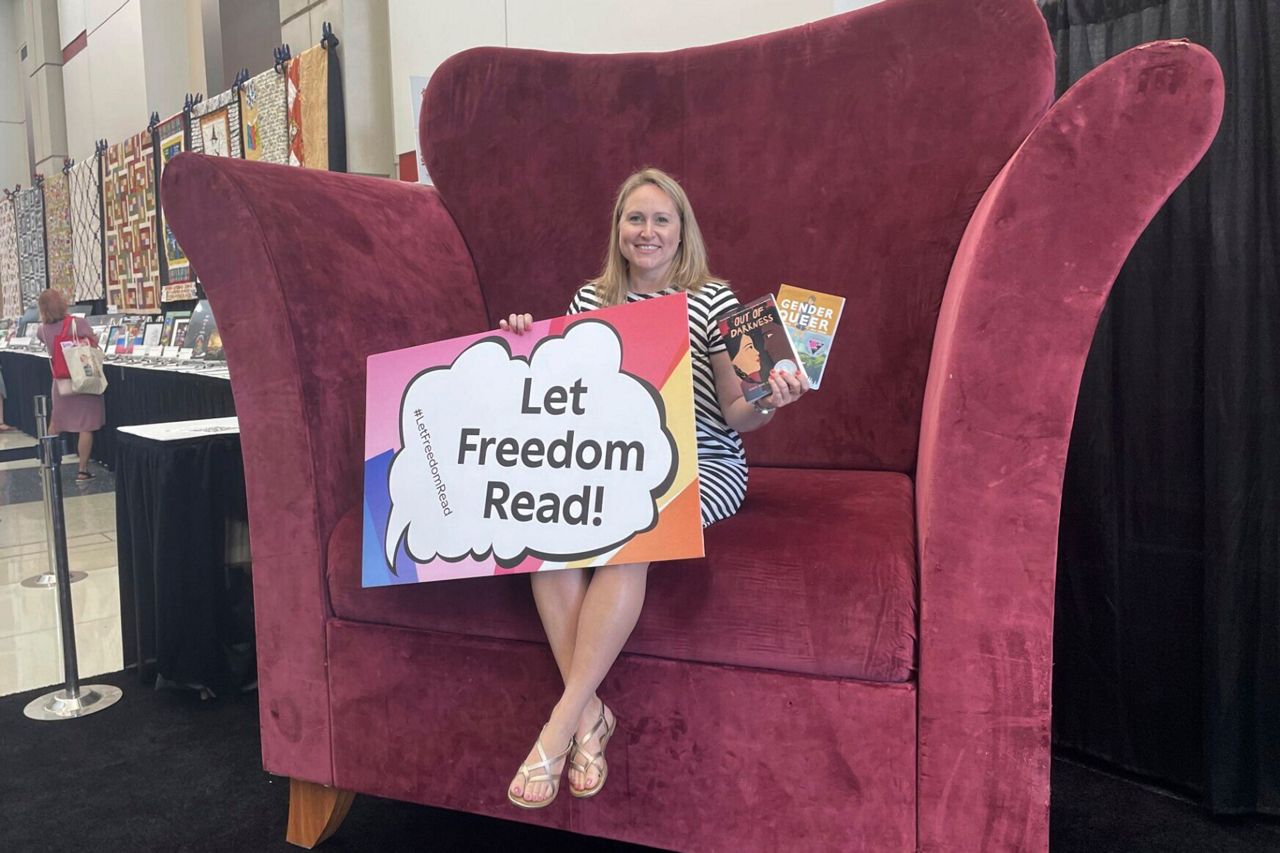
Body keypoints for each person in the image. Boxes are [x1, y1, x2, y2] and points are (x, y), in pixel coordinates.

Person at [501, 167, 809, 808]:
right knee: (544, 540)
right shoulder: (588, 301)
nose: (647, 231)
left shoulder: (715, 302)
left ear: (681, 231)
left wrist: (769, 400)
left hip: (704, 464)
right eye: (635, 218)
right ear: (618, 229)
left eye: (661, 219)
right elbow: (563, 395)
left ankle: (559, 728)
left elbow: (737, 414)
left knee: (634, 533)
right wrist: (523, 344)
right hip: (606, 461)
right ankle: (591, 717)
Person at [34, 289, 104, 480]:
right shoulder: (78, 323)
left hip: (61, 383)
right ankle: (82, 470)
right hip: (84, 379)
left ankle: (47, 463)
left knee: (56, 423)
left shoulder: (42, 330)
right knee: (86, 425)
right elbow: (93, 343)